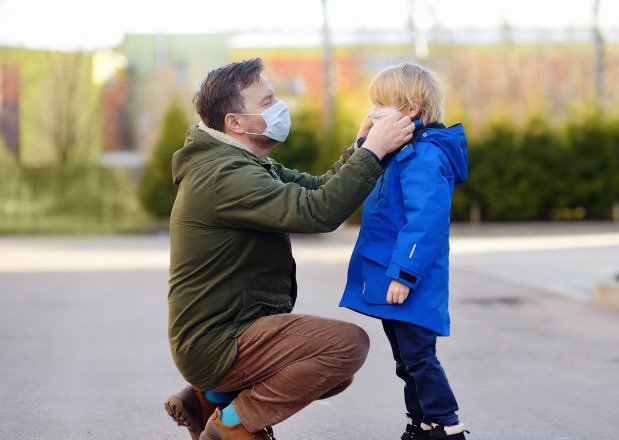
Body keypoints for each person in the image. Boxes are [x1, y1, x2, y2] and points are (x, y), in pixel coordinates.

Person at [163, 57, 415, 440]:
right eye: (266, 103)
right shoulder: (224, 175)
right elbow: (318, 213)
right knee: (345, 347)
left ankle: (209, 400)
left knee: (330, 374)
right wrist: (373, 154)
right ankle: (233, 425)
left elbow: (314, 189)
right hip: (217, 342)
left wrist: (360, 145)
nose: (279, 108)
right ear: (235, 122)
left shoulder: (239, 162)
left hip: (223, 334)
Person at [339, 62, 469, 439]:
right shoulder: (399, 151)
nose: (372, 110)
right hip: (392, 275)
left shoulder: (423, 157)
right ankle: (421, 422)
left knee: (419, 358)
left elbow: (425, 223)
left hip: (409, 279)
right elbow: (361, 179)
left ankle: (446, 424)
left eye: (381, 103)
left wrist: (404, 274)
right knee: (406, 360)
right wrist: (361, 144)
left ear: (410, 110)